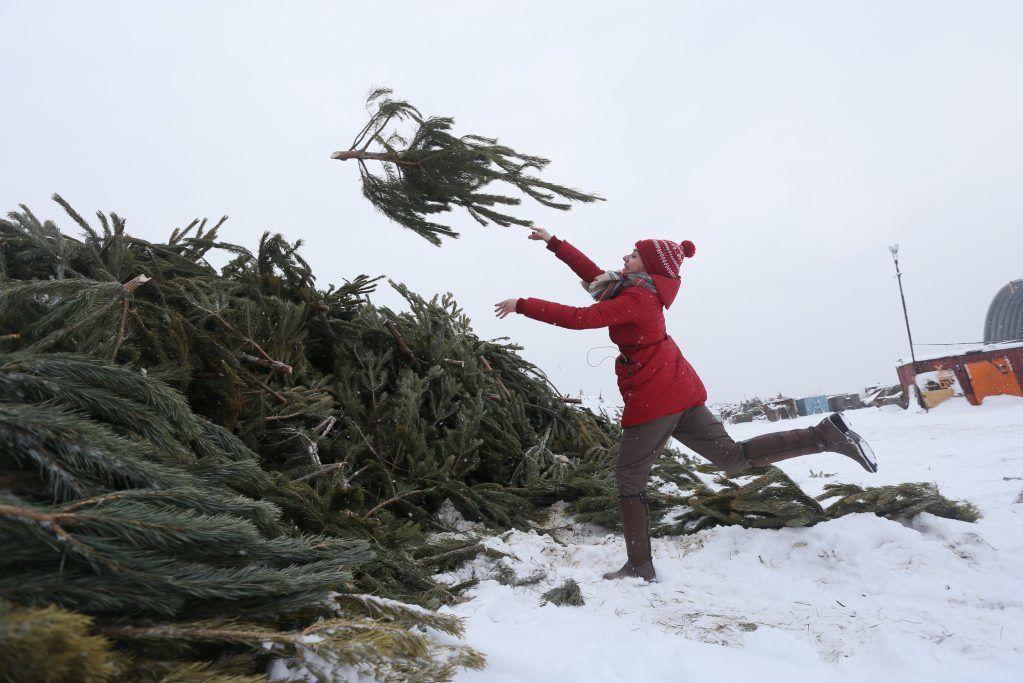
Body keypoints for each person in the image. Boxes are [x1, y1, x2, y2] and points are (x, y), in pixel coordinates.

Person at [494, 228, 877, 583]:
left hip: (655, 396)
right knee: (733, 458)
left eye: (632, 255)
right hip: (679, 388)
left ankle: (639, 566)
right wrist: (554, 242)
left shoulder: (635, 298)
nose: (624, 258)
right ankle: (825, 435)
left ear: (648, 265)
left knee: (629, 478)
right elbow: (593, 274)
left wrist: (522, 304)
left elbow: (580, 319)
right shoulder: (631, 289)